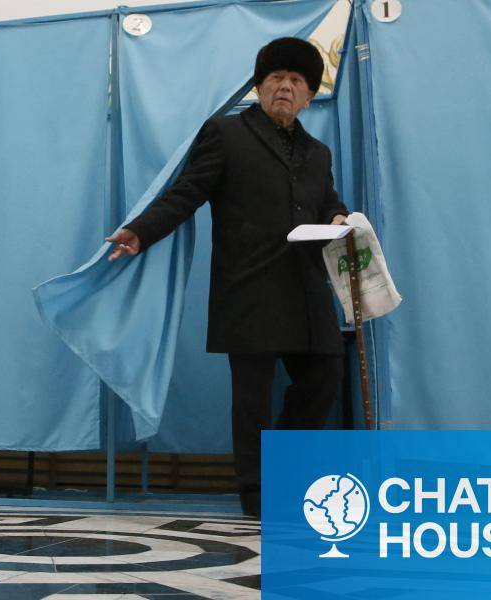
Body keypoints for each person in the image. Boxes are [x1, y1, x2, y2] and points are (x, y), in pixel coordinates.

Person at [105, 37, 348, 518]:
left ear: (308, 96)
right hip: (250, 288)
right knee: (252, 402)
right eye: (275, 78)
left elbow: (327, 201)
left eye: (296, 81)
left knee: (325, 376)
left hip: (307, 287)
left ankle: (287, 475)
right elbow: (186, 193)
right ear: (258, 88)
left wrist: (340, 217)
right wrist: (140, 231)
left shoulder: (319, 153)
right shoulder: (225, 133)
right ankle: (258, 498)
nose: (285, 86)